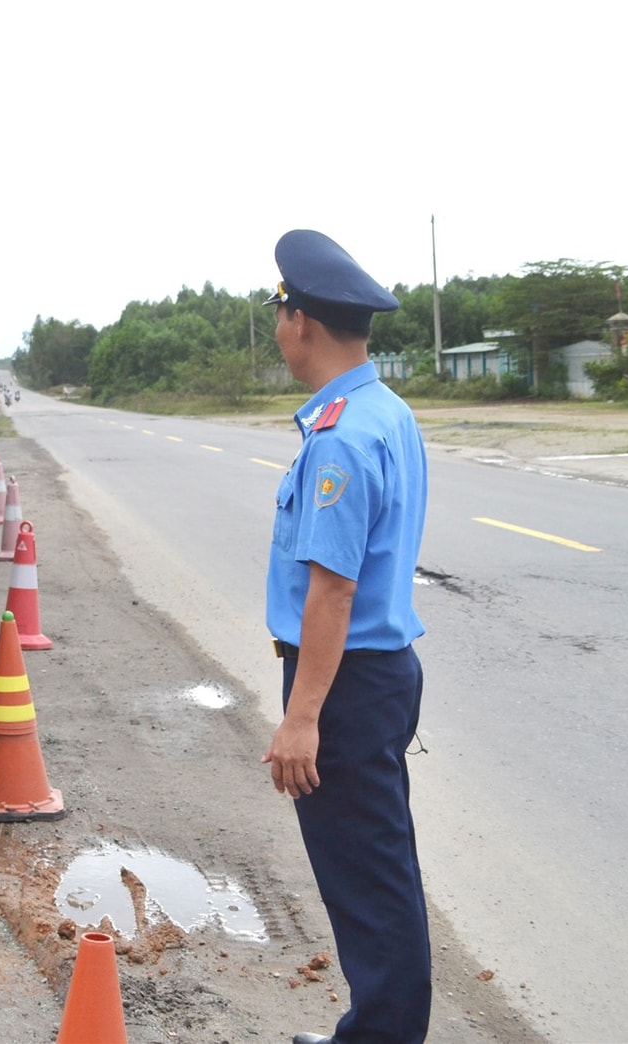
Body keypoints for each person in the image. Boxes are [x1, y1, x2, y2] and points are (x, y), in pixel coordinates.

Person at [260, 228, 431, 1044]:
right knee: (376, 872)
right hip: (376, 675)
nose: (280, 327)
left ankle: (382, 1037)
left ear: (303, 323)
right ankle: (375, 1028)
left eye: (281, 311)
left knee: (370, 883)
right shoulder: (382, 409)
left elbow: (332, 590)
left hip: (346, 684)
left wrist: (302, 716)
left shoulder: (341, 438)